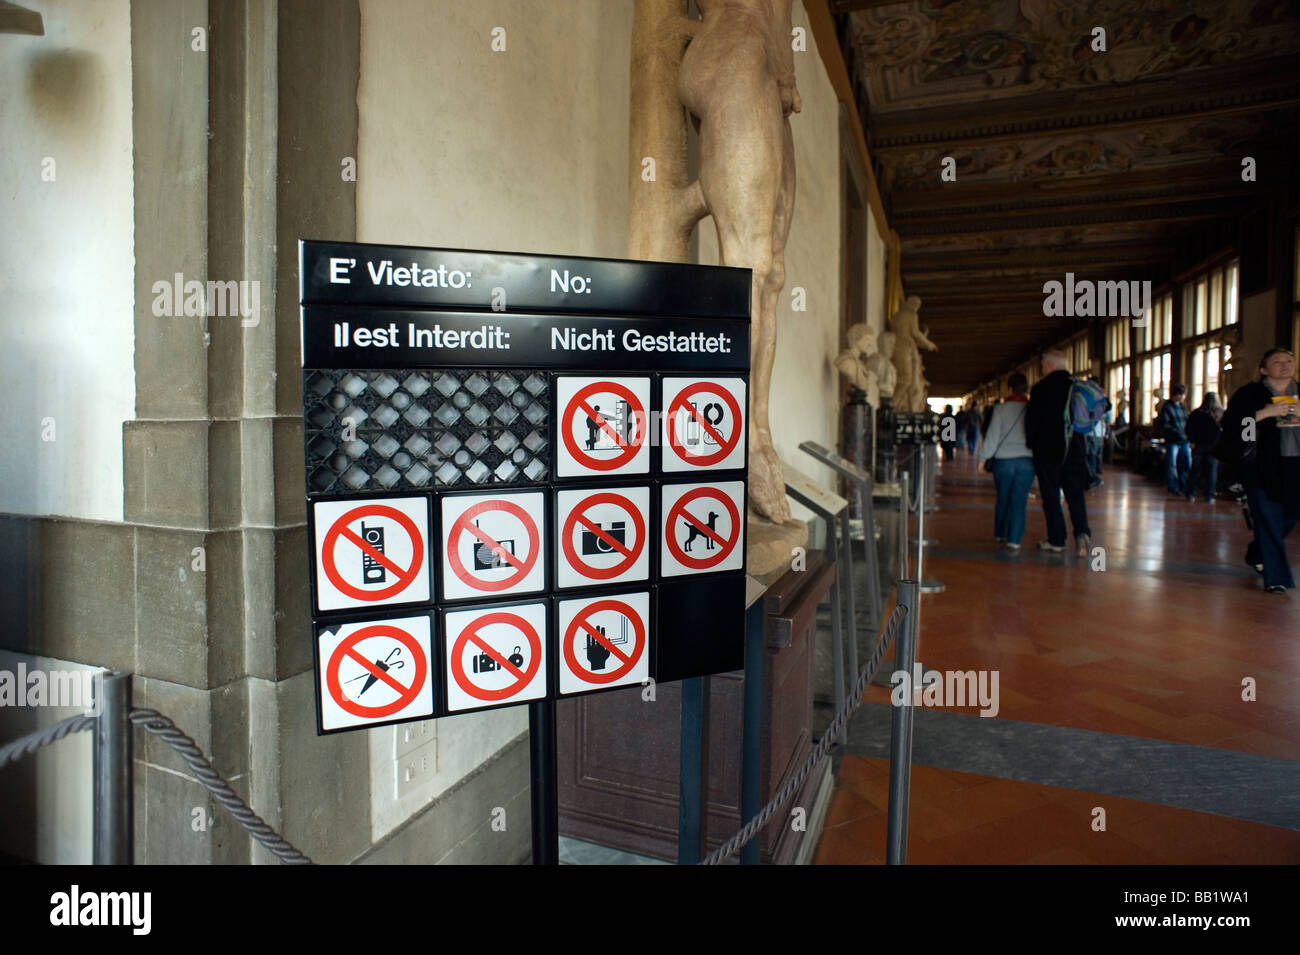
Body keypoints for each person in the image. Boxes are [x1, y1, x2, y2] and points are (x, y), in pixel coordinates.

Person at [1218, 348, 1300, 593]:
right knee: (1268, 519)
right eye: (1277, 362)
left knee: (1290, 516)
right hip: (1261, 467)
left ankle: (1257, 553)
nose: (1284, 366)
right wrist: (1263, 414)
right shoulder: (1249, 394)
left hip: (1295, 466)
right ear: (1264, 369)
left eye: (1289, 361)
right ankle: (1277, 578)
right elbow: (1236, 430)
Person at [1026, 349, 1092, 557]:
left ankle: (1057, 540)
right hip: (1075, 450)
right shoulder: (1078, 386)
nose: (1042, 369)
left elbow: (1031, 423)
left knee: (1051, 496)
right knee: (1075, 495)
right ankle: (1082, 533)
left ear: (1049, 366)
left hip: (1048, 452)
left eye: (1044, 366)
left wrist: (1032, 444)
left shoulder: (1040, 389)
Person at [979, 373, 1033, 550]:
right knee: (1019, 500)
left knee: (1003, 498)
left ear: (1009, 389)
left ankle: (1001, 534)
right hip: (1027, 460)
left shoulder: (1001, 409)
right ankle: (1014, 540)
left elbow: (993, 435)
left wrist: (983, 458)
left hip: (1003, 461)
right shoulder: (1033, 408)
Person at [1186, 392, 1222, 503]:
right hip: (1214, 446)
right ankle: (1209, 496)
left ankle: (1191, 494)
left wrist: (1191, 440)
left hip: (1198, 445)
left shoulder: (1196, 413)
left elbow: (1189, 428)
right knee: (1212, 471)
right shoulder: (1219, 413)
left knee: (1195, 470)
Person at [1160, 385, 1191, 496]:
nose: (1184, 397)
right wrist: (1179, 433)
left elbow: (1186, 422)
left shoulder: (1182, 407)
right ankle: (1173, 486)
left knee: (1184, 464)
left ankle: (1183, 486)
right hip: (1172, 440)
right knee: (1171, 465)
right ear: (1177, 394)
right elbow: (1165, 425)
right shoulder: (1167, 407)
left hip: (1184, 440)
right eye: (1182, 394)